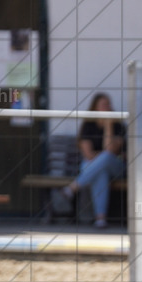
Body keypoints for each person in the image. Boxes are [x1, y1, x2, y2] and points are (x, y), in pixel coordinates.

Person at [55, 92, 126, 228]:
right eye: (103, 105)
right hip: (95, 168)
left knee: (105, 158)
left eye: (108, 104)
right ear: (95, 108)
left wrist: (108, 126)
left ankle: (73, 187)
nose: (107, 107)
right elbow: (88, 155)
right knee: (101, 173)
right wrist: (104, 154)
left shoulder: (118, 126)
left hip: (117, 168)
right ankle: (101, 219)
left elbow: (110, 150)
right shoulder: (88, 125)